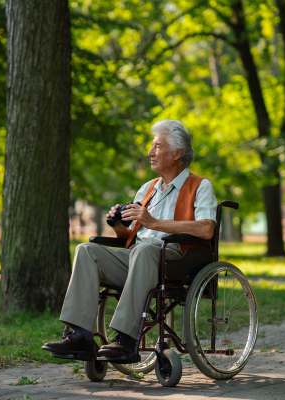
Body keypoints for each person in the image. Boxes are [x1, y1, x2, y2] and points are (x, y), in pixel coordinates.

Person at [42, 119, 217, 360]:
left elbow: (207, 229)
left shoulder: (200, 186)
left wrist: (154, 223)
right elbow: (131, 238)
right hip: (139, 258)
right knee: (87, 250)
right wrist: (119, 227)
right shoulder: (148, 188)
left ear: (177, 153)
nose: (150, 152)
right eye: (151, 146)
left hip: (177, 260)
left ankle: (126, 338)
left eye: (157, 146)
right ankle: (81, 336)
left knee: (144, 250)